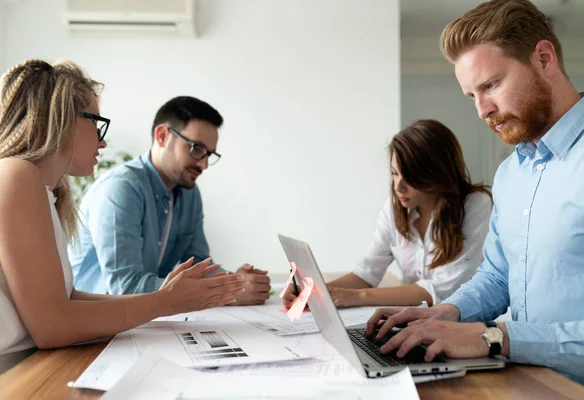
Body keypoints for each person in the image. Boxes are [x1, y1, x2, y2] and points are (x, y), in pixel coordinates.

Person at [365, 0, 584, 391]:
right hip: (528, 381)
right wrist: (443, 315)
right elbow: (498, 275)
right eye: (471, 95)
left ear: (544, 59)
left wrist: (495, 338)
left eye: (490, 85)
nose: (481, 110)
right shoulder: (511, 174)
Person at [0, 60, 248, 373]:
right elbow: (53, 326)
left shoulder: (44, 191)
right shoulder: (16, 175)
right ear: (63, 120)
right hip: (16, 371)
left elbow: (68, 299)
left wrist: (197, 292)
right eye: (97, 123)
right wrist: (165, 301)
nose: (103, 140)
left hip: (31, 363)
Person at [69, 96, 271, 305]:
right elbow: (126, 288)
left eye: (209, 154)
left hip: (143, 321)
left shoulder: (189, 193)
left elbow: (198, 266)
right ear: (162, 136)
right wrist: (228, 292)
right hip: (97, 326)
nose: (204, 164)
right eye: (196, 148)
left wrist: (235, 282)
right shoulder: (121, 189)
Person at [283, 119, 492, 309]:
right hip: (422, 320)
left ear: (437, 174)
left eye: (410, 177)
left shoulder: (475, 206)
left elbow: (444, 289)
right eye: (394, 173)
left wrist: (360, 296)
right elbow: (367, 273)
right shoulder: (394, 209)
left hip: (464, 323)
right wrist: (314, 292)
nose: (398, 187)